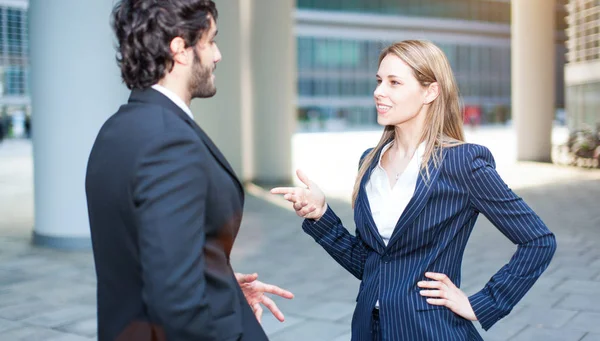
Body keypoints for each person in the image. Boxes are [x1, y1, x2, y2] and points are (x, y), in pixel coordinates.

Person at [272, 40, 556, 341]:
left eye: (394, 82)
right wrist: (321, 214)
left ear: (430, 91)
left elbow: (538, 240)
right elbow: (372, 264)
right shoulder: (369, 162)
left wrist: (482, 303)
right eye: (380, 81)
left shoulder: (462, 162)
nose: (379, 91)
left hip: (430, 331)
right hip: (369, 330)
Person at [85, 1, 292, 340]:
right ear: (180, 49)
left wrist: (219, 284)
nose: (218, 55)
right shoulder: (170, 143)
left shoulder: (116, 130)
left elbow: (151, 256)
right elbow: (177, 305)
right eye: (210, 41)